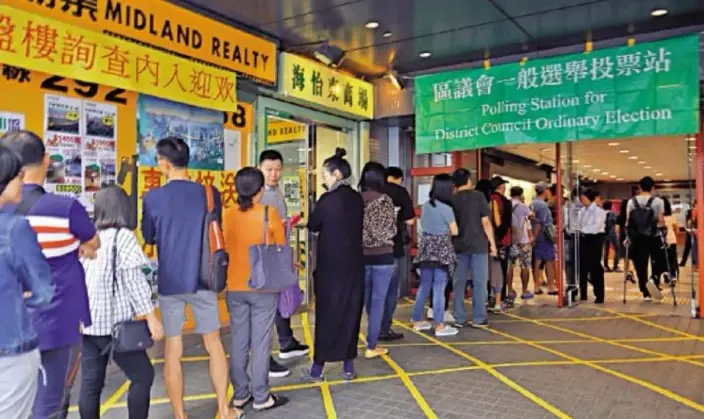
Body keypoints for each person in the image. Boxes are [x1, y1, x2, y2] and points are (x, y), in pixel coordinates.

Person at [1, 130, 100, 418]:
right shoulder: (65, 208)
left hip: (10, 324)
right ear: (46, 160)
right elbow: (93, 243)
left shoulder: (10, 213)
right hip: (57, 320)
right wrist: (77, 245)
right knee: (50, 403)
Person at [141, 137, 234, 419]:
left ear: (164, 163)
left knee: (173, 348)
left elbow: (149, 237)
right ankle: (224, 410)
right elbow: (215, 228)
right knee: (214, 344)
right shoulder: (209, 193)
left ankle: (180, 415)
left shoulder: (153, 198)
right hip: (203, 278)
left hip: (170, 282)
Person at [79, 186, 164, 419]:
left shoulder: (88, 237)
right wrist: (151, 317)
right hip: (115, 326)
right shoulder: (123, 237)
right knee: (143, 376)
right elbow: (133, 281)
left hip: (88, 325)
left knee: (91, 385)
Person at [222, 167, 289, 412]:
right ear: (260, 190)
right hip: (263, 287)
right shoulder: (268, 213)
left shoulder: (227, 214)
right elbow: (281, 247)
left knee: (239, 340)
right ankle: (261, 396)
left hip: (234, 286)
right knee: (260, 342)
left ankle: (240, 394)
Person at [0, 145, 54, 419]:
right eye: (18, 176)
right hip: (11, 348)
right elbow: (43, 290)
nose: (23, 181)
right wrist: (23, 297)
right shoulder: (14, 228)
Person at [302, 148, 364, 382]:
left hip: (330, 268)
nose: (323, 179)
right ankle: (348, 367)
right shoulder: (357, 198)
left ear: (337, 174)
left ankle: (317, 369)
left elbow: (313, 225)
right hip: (354, 266)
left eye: (324, 175)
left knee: (327, 314)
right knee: (350, 313)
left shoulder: (327, 200)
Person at [258, 150, 310, 378]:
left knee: (282, 300)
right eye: (269, 169)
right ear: (259, 169)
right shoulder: (258, 195)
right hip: (265, 260)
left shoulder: (276, 193)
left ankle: (287, 342)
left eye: (278, 169)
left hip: (279, 255)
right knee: (266, 310)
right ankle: (264, 360)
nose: (274, 174)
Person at [412, 174, 459, 337]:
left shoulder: (426, 206)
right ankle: (439, 325)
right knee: (439, 287)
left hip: (425, 249)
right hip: (441, 251)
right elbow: (455, 231)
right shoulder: (447, 209)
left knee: (424, 286)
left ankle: (417, 321)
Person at [359, 162, 397, 357]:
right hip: (383, 256)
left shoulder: (356, 200)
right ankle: (372, 345)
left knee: (365, 300)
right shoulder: (385, 200)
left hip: (362, 256)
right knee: (378, 301)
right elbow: (390, 229)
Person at [451, 169, 496, 328]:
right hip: (479, 245)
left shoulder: (452, 199)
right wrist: (493, 244)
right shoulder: (478, 196)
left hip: (458, 245)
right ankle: (479, 318)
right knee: (479, 282)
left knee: (459, 282)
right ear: (469, 180)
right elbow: (486, 222)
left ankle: (459, 317)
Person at [379, 167, 415, 342]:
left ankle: (374, 326)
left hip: (369, 248)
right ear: (399, 178)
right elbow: (410, 220)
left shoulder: (372, 191)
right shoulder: (400, 192)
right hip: (393, 246)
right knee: (390, 290)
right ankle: (384, 328)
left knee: (375, 290)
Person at [626, 176, 665, 302]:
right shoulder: (658, 201)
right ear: (652, 187)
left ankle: (645, 292)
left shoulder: (631, 202)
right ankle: (654, 279)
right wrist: (664, 232)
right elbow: (661, 220)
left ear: (639, 187)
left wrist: (628, 236)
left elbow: (628, 221)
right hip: (653, 236)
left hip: (637, 238)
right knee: (658, 260)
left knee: (640, 264)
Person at [488, 176, 513, 311]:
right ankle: (500, 299)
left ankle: (490, 298)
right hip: (502, 240)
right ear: (501, 187)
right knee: (501, 271)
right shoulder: (499, 200)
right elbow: (498, 222)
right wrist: (500, 237)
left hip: (490, 240)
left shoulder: (488, 199)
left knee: (489, 271)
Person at [578, 189, 606, 303]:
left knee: (595, 266)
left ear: (590, 198)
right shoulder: (581, 211)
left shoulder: (599, 211)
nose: (581, 200)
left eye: (583, 198)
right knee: (582, 267)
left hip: (595, 239)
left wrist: (583, 230)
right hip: (583, 238)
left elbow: (596, 227)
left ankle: (599, 295)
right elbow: (578, 224)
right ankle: (583, 294)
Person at [531, 181, 558, 295]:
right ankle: (551, 286)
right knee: (549, 261)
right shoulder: (543, 205)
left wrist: (533, 236)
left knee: (537, 261)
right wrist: (535, 237)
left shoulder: (532, 203)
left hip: (536, 235)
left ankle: (536, 286)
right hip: (544, 236)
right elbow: (541, 222)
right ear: (545, 190)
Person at [508, 186, 534, 300]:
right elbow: (532, 216)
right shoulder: (523, 206)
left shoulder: (507, 204)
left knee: (510, 265)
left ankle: (510, 290)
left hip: (511, 239)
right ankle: (524, 290)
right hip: (523, 239)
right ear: (521, 194)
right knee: (525, 265)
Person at [662, 198, 679, 281]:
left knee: (663, 258)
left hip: (661, 241)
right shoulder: (672, 217)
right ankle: (673, 276)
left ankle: (665, 273)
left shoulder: (657, 218)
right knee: (672, 258)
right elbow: (677, 230)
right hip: (672, 239)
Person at [602, 201, 621, 272]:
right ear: (610, 206)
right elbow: (616, 222)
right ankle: (615, 266)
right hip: (612, 234)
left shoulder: (601, 214)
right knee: (617, 249)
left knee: (605, 250)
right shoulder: (612, 214)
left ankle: (605, 266)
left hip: (604, 234)